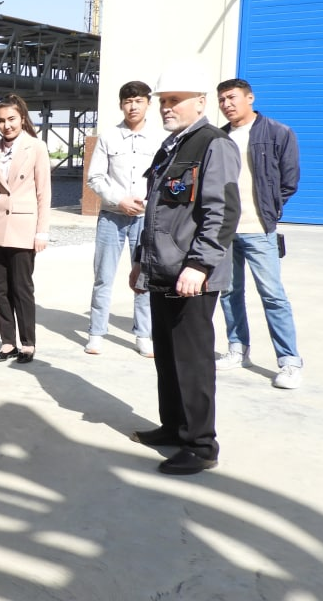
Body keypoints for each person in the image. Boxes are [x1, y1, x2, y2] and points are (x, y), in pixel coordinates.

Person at [129, 60, 240, 476]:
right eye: (163, 100)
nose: (166, 107)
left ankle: (200, 444)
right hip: (163, 270)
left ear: (200, 102)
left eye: (175, 100)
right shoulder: (172, 146)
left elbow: (222, 211)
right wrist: (140, 261)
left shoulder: (213, 144)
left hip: (192, 275)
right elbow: (155, 211)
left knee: (192, 362)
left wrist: (199, 264)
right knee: (168, 356)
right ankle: (175, 427)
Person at [214, 78, 304, 389]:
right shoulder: (219, 138)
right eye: (222, 100)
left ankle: (290, 362)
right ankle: (238, 349)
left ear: (249, 98)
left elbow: (289, 180)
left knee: (273, 295)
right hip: (225, 230)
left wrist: (270, 209)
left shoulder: (278, 132)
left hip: (258, 229)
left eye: (232, 97)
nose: (227, 104)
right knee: (228, 293)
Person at [84, 81, 164, 358]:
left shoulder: (159, 139)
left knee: (144, 278)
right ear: (121, 105)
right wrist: (119, 200)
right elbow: (95, 177)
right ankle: (96, 333)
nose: (133, 106)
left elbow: (163, 178)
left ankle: (143, 335)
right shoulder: (108, 137)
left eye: (138, 101)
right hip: (112, 217)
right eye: (128, 101)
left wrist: (146, 204)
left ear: (148, 104)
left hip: (145, 219)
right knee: (103, 277)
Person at [0, 94, 51, 364]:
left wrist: (42, 231)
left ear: (22, 118)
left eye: (11, 119)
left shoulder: (37, 147)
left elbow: (44, 192)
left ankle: (28, 343)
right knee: (0, 289)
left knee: (22, 288)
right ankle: (8, 341)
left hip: (23, 226)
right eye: (0, 121)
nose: (6, 125)